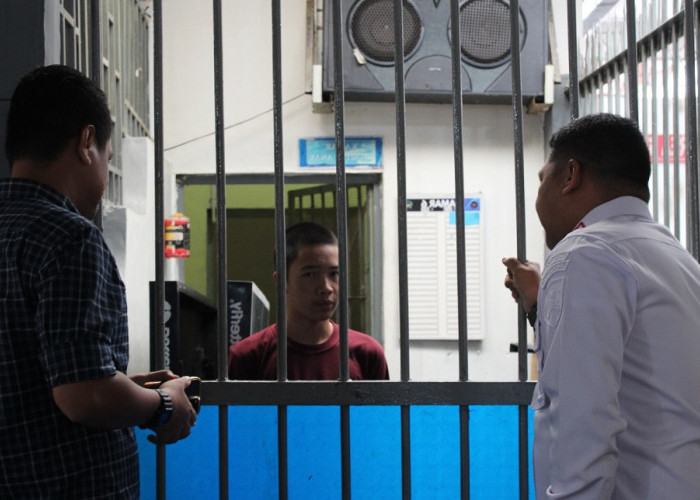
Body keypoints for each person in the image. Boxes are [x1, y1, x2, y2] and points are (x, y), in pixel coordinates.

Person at [0, 65, 196, 498]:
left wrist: (121, 386)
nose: (106, 177)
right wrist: (164, 404)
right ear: (86, 143)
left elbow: (33, 375)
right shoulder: (70, 238)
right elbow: (83, 397)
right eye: (108, 157)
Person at [502, 113, 700, 499]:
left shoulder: (583, 252)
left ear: (570, 175)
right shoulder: (677, 260)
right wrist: (539, 305)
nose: (538, 196)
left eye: (542, 179)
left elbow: (582, 426)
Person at [228, 221, 389, 380]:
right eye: (310, 274)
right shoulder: (249, 356)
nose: (326, 287)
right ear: (281, 281)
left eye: (334, 274)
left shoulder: (367, 353)